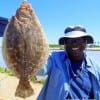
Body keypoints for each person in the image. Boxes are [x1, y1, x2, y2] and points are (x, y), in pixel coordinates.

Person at [37, 25, 100, 100]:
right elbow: (39, 70)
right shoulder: (54, 58)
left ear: (85, 42)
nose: (74, 43)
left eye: (79, 39)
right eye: (69, 40)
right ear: (64, 44)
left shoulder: (96, 68)